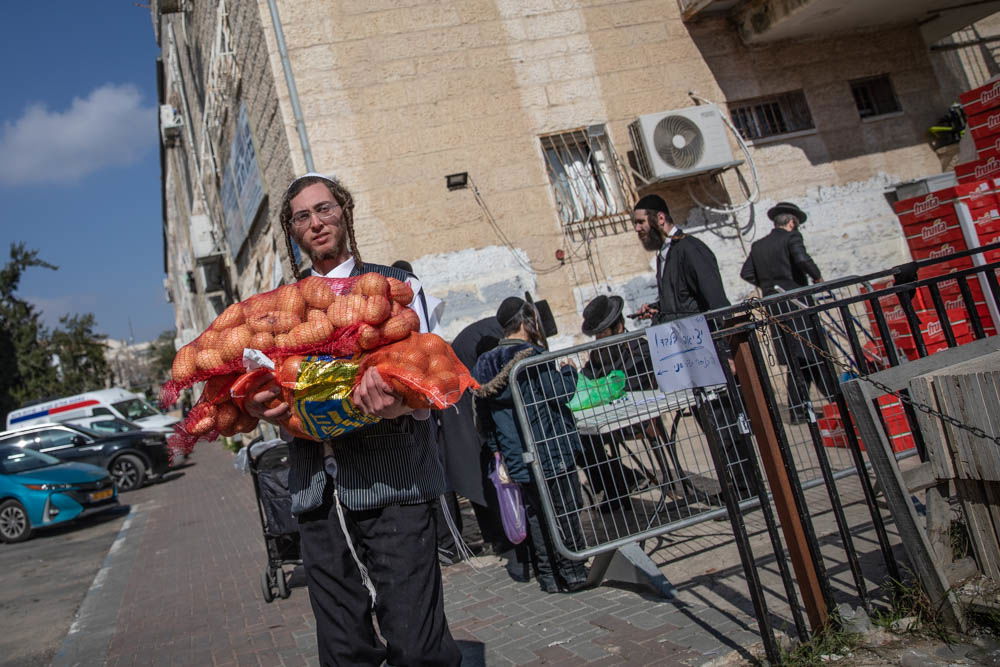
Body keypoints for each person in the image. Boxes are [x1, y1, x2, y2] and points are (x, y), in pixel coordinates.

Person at [243, 174, 460, 666]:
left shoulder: (398, 288)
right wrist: (263, 409)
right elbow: (273, 396)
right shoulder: (280, 309)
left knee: (417, 642)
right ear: (292, 231)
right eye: (302, 216)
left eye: (324, 209)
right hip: (316, 493)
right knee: (344, 650)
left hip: (394, 484)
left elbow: (439, 385)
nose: (316, 223)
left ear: (344, 211)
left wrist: (402, 401)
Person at [631, 194, 756, 500]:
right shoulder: (667, 254)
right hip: (688, 357)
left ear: (660, 218)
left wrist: (729, 352)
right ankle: (733, 488)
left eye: (639, 222)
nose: (637, 229)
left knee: (725, 423)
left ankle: (746, 489)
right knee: (710, 424)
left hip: (709, 353)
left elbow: (715, 302)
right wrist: (659, 309)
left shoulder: (690, 249)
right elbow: (684, 300)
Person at [472, 297, 589, 593]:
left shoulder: (484, 363)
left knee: (537, 512)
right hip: (550, 446)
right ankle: (573, 571)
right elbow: (558, 392)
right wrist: (568, 371)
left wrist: (500, 451)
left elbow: (484, 417)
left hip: (516, 453)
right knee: (565, 509)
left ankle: (548, 575)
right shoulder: (532, 355)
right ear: (526, 322)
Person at [740, 202, 834, 424]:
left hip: (775, 308)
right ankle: (836, 400)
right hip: (797, 305)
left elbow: (746, 272)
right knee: (812, 353)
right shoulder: (792, 238)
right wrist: (817, 277)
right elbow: (802, 259)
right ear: (792, 222)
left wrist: (768, 286)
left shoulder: (759, 246)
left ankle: (799, 410)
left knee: (799, 359)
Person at [576, 294, 655, 511]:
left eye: (603, 333)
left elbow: (635, 387)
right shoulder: (599, 354)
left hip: (635, 414)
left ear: (618, 327)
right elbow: (589, 380)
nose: (599, 339)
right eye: (597, 335)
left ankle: (619, 485)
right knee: (576, 438)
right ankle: (621, 483)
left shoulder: (638, 348)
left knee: (588, 438)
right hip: (605, 417)